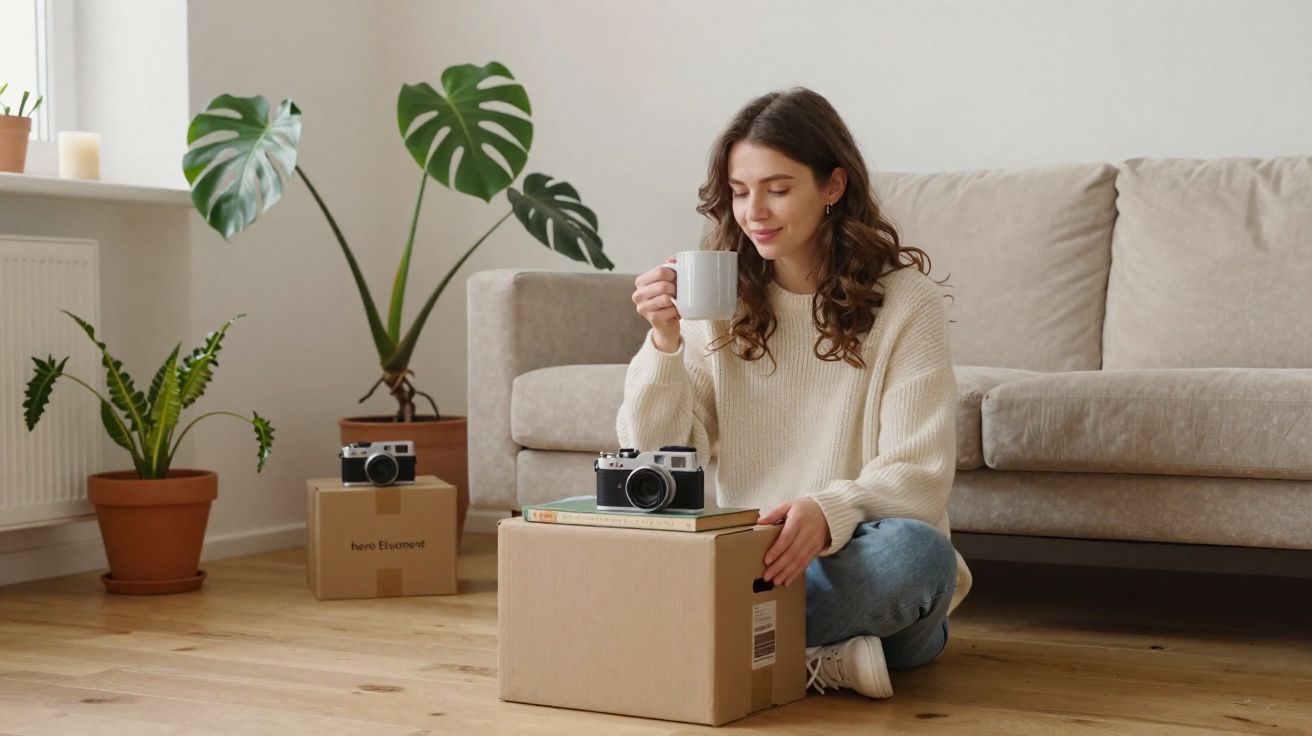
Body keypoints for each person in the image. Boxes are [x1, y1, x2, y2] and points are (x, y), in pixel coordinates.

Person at [616, 87, 973, 700]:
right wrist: (665, 343)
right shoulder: (718, 298)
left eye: (777, 188)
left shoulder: (905, 301)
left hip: (858, 568)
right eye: (738, 190)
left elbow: (921, 475)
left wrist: (829, 510)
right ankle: (819, 660)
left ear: (832, 186)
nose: (754, 210)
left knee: (918, 558)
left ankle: (704, 641)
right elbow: (656, 459)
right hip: (753, 564)